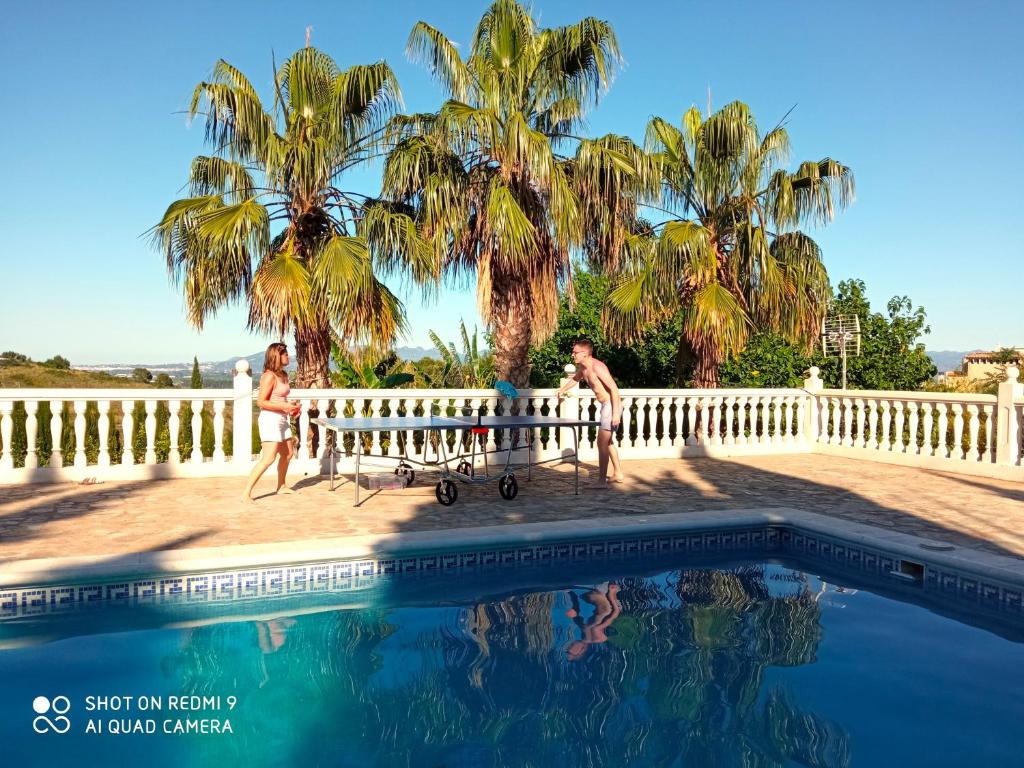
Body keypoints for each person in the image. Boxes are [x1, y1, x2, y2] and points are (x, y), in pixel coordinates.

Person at [556, 339, 624, 487]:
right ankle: (618, 473)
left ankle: (601, 481)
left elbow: (614, 389)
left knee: (601, 443)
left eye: (575, 352)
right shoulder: (583, 368)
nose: (572, 355)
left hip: (611, 406)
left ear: (585, 353)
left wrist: (616, 414)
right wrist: (562, 389)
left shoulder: (597, 367)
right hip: (605, 406)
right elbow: (575, 379)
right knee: (608, 442)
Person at [242, 342, 302, 502]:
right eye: (285, 354)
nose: (288, 356)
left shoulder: (283, 375)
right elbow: (261, 402)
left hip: (282, 419)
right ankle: (246, 493)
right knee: (268, 458)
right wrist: (283, 406)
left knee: (288, 454)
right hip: (270, 420)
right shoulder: (269, 376)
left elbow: (280, 398)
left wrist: (292, 407)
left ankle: (281, 486)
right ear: (276, 356)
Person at [566, 583, 622, 661]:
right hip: (608, 595)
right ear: (580, 651)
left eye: (567, 651)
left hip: (598, 593)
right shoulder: (599, 638)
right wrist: (611, 594)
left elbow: (578, 618)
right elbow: (615, 613)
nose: (569, 647)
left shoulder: (585, 636)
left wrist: (571, 594)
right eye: (570, 652)